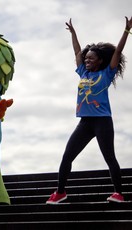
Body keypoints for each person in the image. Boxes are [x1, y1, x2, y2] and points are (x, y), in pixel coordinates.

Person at [46, 16, 132, 204]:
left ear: (100, 61)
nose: (87, 60)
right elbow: (77, 51)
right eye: (86, 58)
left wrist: (126, 31)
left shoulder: (106, 73)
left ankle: (118, 193)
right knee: (67, 156)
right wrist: (74, 33)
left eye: (91, 58)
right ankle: (60, 192)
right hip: (85, 122)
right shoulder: (83, 72)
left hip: (102, 122)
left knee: (110, 157)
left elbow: (118, 51)